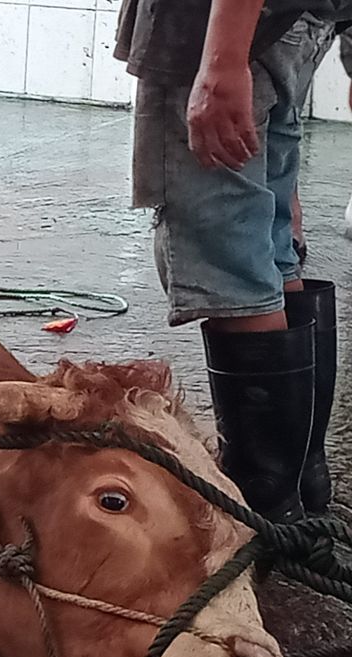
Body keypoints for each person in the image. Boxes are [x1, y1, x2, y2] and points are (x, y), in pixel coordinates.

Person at [116, 2, 351, 523]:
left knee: (232, 265)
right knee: (268, 252)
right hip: (290, 26)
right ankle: (299, 490)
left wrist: (223, 59)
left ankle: (263, 511)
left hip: (227, 29)